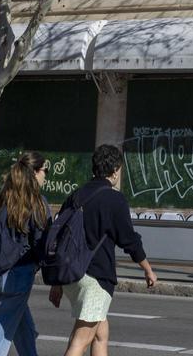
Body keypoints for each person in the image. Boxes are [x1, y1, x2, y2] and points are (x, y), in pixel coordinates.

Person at [48, 144, 157, 356]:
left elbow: (59, 236)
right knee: (80, 341)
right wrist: (148, 269)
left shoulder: (77, 195)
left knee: (100, 334)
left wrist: (57, 283)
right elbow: (129, 240)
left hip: (71, 275)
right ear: (115, 170)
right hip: (95, 279)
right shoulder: (115, 199)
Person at [0, 151, 51, 356]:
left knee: (21, 325)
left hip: (0, 271)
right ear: (35, 172)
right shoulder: (37, 202)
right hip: (19, 274)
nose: (46, 175)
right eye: (45, 170)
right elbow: (41, 241)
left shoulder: (5, 197)